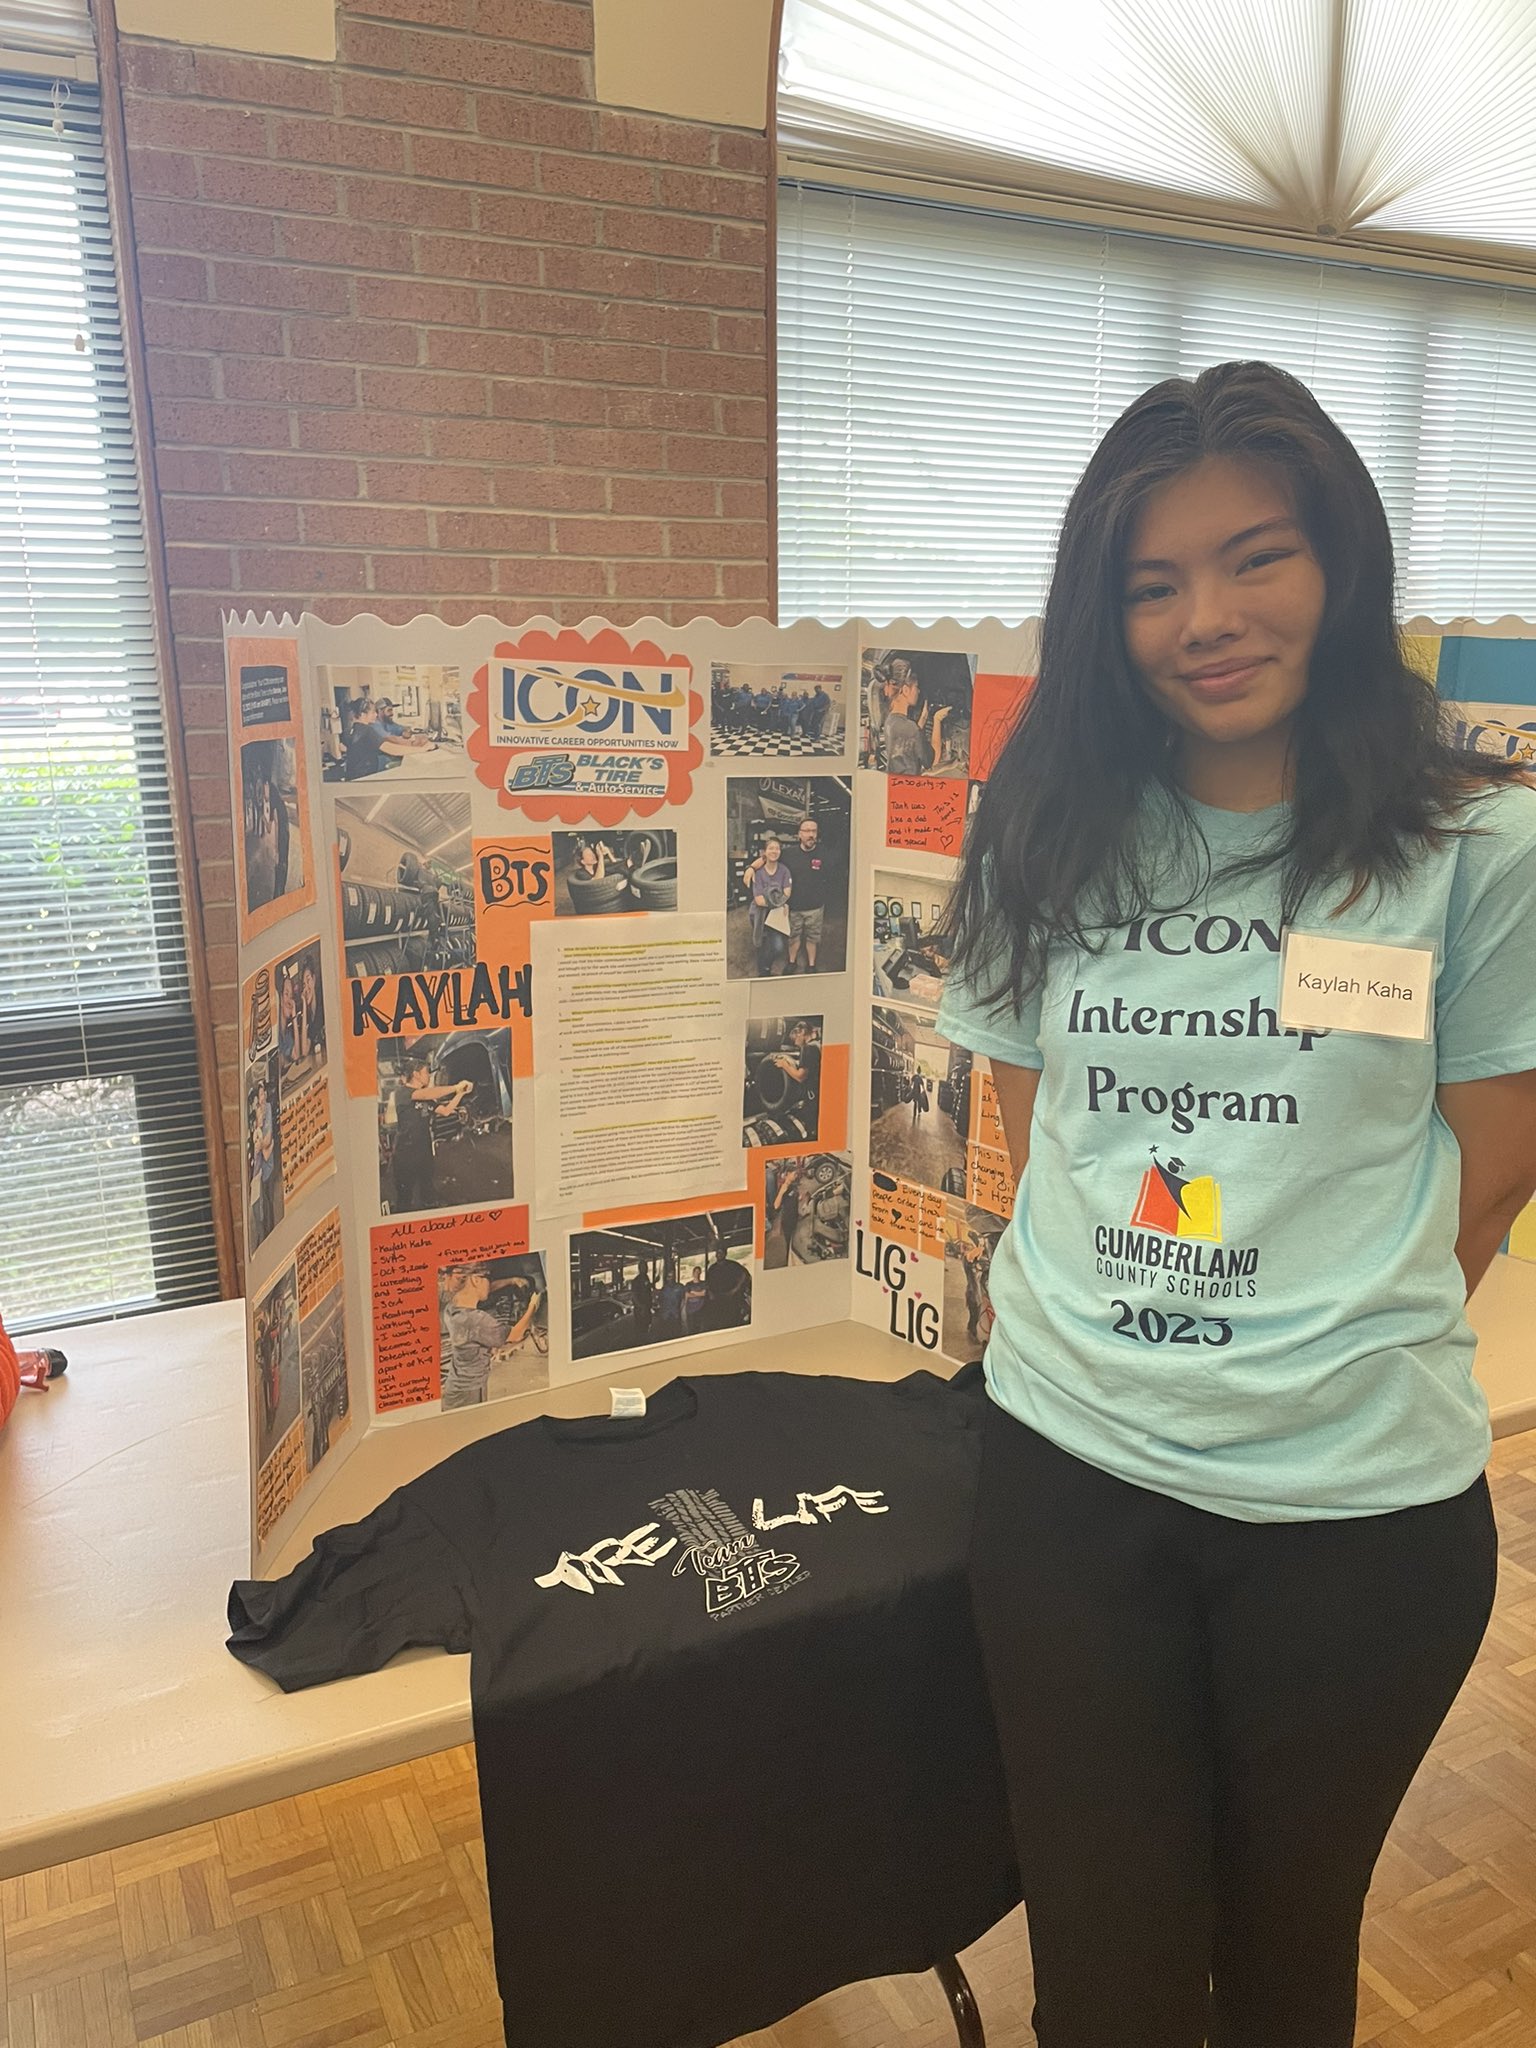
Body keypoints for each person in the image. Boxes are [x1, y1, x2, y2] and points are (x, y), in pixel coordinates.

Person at [935, 359, 1536, 2048]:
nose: (1206, 614)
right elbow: (1040, 1117)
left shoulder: (1473, 849)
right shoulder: (1047, 822)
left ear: (1336, 564)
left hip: (1354, 1515)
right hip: (1071, 1478)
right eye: (1150, 581)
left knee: (1283, 1971)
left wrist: (1311, 1312)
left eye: (1253, 556)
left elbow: (1492, 1165)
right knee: (1106, 1973)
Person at [387, 1054, 469, 1212]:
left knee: (428, 1191)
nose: (428, 1075)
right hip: (406, 1154)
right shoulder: (403, 1093)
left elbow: (445, 1111)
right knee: (405, 1197)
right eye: (426, 1072)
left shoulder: (426, 1098)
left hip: (424, 1152)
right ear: (416, 1074)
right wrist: (455, 1087)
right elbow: (425, 1094)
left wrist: (460, 1094)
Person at [779, 814, 838, 973]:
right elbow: (768, 858)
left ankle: (811, 965)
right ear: (799, 834)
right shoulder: (787, 854)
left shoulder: (825, 854)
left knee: (813, 938)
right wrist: (751, 869)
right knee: (793, 936)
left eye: (814, 831)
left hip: (815, 908)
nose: (811, 834)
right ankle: (792, 962)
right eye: (806, 831)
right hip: (793, 907)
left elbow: (832, 879)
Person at [881, 670, 951, 776]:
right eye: (916, 687)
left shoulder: (890, 720)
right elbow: (933, 760)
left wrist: (923, 718)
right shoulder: (910, 728)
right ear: (905, 690)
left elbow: (909, 738)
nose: (918, 691)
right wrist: (937, 720)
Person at [742, 834, 793, 976]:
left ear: (780, 852)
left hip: (776, 917)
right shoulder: (757, 873)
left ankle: (766, 964)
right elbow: (759, 901)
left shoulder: (784, 871)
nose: (774, 851)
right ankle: (764, 970)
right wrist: (779, 901)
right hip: (758, 914)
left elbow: (787, 893)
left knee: (777, 947)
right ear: (764, 852)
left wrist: (771, 898)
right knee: (762, 943)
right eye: (771, 848)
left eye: (777, 848)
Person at [343, 699, 419, 780]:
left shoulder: (351, 729)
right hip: (364, 777)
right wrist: (421, 749)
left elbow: (343, 747)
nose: (376, 715)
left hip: (352, 776)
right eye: (373, 712)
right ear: (363, 715)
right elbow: (392, 750)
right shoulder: (367, 730)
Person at [655, 1269, 686, 1340]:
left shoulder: (680, 1287)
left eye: (672, 1276)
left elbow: (683, 1300)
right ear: (667, 1278)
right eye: (669, 1276)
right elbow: (659, 1301)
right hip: (665, 1315)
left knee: (676, 1334)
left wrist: (680, 1311)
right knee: (665, 1335)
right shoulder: (664, 1289)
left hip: (676, 1315)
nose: (671, 1278)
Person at [682, 1265, 708, 1334]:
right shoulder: (688, 1284)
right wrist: (698, 1293)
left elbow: (704, 1294)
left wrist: (693, 1292)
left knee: (700, 1328)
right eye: (696, 1272)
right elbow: (687, 1295)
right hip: (690, 1310)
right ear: (693, 1273)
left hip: (700, 1309)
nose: (697, 1274)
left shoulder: (703, 1283)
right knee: (691, 1329)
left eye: (698, 1272)